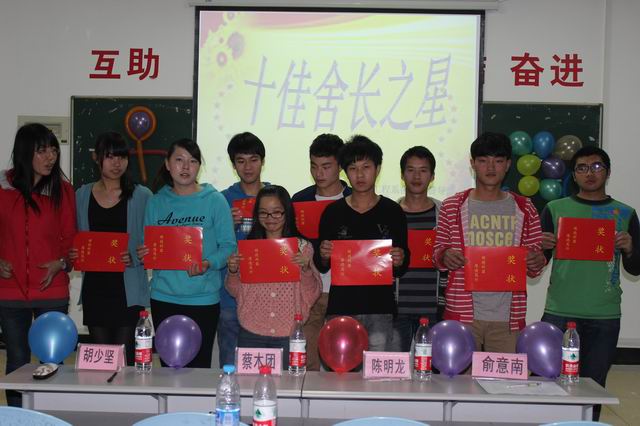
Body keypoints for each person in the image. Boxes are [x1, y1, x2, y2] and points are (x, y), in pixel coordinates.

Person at [540, 146, 640, 420]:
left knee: (593, 389)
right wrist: (540, 247)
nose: (590, 173)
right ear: (574, 175)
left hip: (604, 314)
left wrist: (630, 248)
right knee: (552, 386)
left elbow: (635, 268)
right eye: (582, 168)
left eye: (597, 167)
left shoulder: (625, 213)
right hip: (559, 310)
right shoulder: (555, 209)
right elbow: (538, 264)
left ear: (608, 172)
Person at [433, 132, 546, 353]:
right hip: (463, 314)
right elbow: (437, 253)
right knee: (460, 374)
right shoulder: (453, 206)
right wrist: (445, 256)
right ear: (473, 164)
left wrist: (536, 260)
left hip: (508, 318)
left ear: (508, 164)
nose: (491, 167)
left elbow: (535, 264)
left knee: (505, 375)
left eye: (498, 161)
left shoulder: (525, 208)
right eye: (483, 160)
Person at [138, 138, 236, 368]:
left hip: (203, 299)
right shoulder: (156, 202)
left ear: (199, 166)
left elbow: (229, 246)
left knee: (199, 368)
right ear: (167, 164)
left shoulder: (215, 200)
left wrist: (208, 263)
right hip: (164, 297)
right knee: (168, 366)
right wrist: (145, 252)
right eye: (179, 160)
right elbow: (148, 244)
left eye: (192, 161)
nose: (185, 167)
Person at [0, 123, 76, 406]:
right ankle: (17, 417)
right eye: (42, 151)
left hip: (51, 289)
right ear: (25, 152)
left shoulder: (63, 191)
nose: (51, 157)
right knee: (17, 360)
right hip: (9, 289)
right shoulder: (2, 188)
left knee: (52, 361)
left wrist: (62, 263)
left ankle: (50, 417)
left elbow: (71, 239)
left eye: (53, 150)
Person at [315, 135, 409, 352]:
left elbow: (401, 266)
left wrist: (400, 258)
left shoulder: (392, 211)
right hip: (341, 306)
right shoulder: (333, 212)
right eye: (353, 168)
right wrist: (324, 254)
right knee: (341, 368)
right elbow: (322, 265)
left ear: (378, 169)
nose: (359, 175)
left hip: (380, 308)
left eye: (366, 167)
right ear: (345, 172)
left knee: (378, 369)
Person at [72, 132, 152, 365]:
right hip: (95, 288)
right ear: (96, 158)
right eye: (110, 157)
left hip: (128, 290)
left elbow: (153, 244)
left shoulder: (142, 195)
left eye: (122, 157)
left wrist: (136, 256)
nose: (117, 163)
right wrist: (74, 252)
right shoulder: (82, 195)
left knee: (125, 359)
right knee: (101, 360)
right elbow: (74, 237)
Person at [226, 185, 321, 368]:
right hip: (251, 330)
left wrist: (306, 269)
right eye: (263, 213)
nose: (270, 218)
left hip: (288, 332)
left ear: (287, 212)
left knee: (287, 384)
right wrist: (233, 271)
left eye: (276, 212)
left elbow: (312, 294)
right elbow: (235, 291)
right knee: (249, 383)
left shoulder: (302, 247)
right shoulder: (248, 248)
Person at [291, 133, 351, 370]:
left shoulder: (354, 199)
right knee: (307, 361)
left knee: (343, 362)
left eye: (326, 167)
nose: (319, 173)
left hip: (344, 291)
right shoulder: (300, 200)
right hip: (310, 293)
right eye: (314, 166)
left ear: (340, 166)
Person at [218, 132, 270, 368]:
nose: (248, 167)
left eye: (253, 160)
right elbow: (209, 248)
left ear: (262, 161)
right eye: (241, 161)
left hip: (268, 299)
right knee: (230, 366)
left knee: (267, 367)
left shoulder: (275, 196)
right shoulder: (222, 200)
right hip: (232, 299)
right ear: (233, 164)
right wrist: (227, 227)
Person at [390, 146, 447, 352]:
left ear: (432, 176)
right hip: (397, 310)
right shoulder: (389, 212)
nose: (416, 176)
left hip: (433, 310)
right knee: (395, 367)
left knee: (433, 368)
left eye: (423, 170)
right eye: (411, 170)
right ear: (402, 174)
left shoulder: (444, 213)